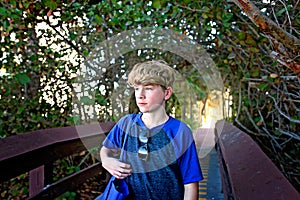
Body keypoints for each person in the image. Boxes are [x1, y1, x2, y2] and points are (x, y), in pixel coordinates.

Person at [100, 60, 203, 200]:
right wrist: (106, 161)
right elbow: (105, 149)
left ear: (166, 93)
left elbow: (190, 185)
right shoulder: (126, 123)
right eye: (136, 88)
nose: (140, 95)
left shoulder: (180, 132)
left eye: (148, 88)